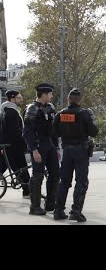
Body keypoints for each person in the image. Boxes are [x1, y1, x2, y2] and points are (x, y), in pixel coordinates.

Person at [53, 88, 99, 221]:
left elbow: (54, 132)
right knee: (81, 181)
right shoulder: (84, 113)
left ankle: (58, 210)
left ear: (68, 100)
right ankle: (76, 211)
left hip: (66, 150)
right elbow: (94, 131)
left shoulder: (60, 114)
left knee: (64, 182)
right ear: (80, 100)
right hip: (81, 151)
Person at [22, 83, 60, 215]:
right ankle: (35, 206)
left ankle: (50, 203)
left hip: (49, 145)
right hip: (38, 145)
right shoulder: (32, 109)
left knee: (55, 174)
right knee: (38, 175)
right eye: (50, 94)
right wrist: (34, 150)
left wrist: (56, 148)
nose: (52, 96)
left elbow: (53, 130)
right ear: (43, 94)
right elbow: (27, 132)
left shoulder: (50, 108)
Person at [0, 90, 30, 198]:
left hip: (6, 145)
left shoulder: (5, 110)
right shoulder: (11, 113)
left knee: (3, 166)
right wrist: (24, 144)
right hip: (14, 145)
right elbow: (15, 132)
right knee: (21, 168)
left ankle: (27, 190)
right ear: (12, 98)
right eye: (19, 98)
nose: (21, 99)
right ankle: (27, 191)